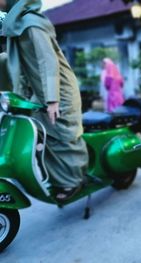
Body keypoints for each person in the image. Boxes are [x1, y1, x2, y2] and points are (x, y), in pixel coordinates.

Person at [0, 0, 88, 201]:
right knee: (45, 137)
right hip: (42, 92)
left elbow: (47, 61)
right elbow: (18, 64)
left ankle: (75, 180)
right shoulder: (17, 24)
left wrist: (52, 100)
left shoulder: (31, 23)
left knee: (63, 137)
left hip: (59, 92)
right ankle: (61, 178)